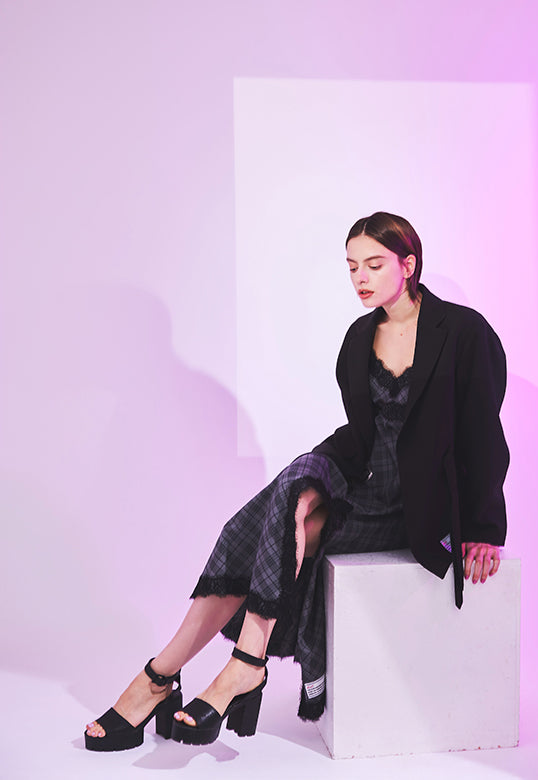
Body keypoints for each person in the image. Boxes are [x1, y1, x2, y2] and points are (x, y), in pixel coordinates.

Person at [85, 212, 509, 752]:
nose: (360, 278)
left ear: (408, 265)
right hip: (366, 487)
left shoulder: (465, 333)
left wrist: (484, 528)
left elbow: (483, 435)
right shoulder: (359, 338)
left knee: (273, 517)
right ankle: (233, 667)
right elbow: (360, 435)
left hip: (417, 508)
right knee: (288, 495)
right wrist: (316, 473)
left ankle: (164, 678)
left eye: (374, 265)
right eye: (352, 267)